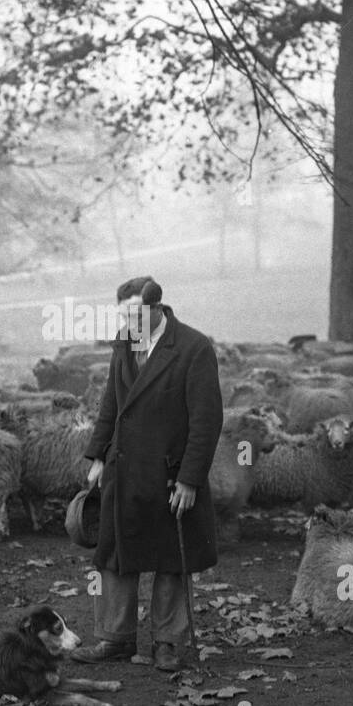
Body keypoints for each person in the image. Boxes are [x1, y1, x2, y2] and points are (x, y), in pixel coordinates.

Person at [71, 276, 224, 672]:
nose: (129, 322)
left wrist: (190, 478)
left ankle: (167, 643)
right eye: (123, 315)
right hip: (124, 468)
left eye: (136, 314)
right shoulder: (124, 342)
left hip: (170, 474)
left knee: (172, 559)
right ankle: (114, 638)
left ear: (157, 309)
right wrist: (98, 455)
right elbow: (111, 402)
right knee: (114, 553)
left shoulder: (193, 348)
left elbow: (206, 421)